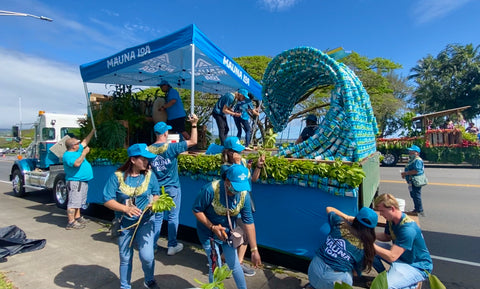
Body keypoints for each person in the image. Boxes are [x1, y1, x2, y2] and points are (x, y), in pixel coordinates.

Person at [192, 164, 262, 289]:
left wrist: (254, 250)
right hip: (209, 234)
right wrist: (212, 227)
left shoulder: (243, 195)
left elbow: (249, 222)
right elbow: (196, 210)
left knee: (235, 264)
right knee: (216, 266)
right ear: (227, 181)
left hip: (227, 234)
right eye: (236, 186)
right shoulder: (210, 190)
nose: (237, 191)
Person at [102, 143, 160, 289]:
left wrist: (154, 203)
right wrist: (125, 209)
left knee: (147, 257)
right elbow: (107, 200)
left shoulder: (150, 176)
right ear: (133, 160)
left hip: (145, 222)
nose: (147, 162)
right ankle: (125, 286)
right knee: (125, 257)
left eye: (148, 159)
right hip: (124, 224)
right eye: (144, 159)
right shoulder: (117, 177)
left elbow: (156, 194)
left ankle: (149, 280)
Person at [149, 114, 199, 256]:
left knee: (157, 217)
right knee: (173, 216)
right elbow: (193, 141)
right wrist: (194, 124)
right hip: (172, 187)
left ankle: (152, 246)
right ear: (165, 133)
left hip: (156, 189)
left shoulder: (148, 150)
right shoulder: (172, 148)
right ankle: (172, 245)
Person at [221, 136, 265, 277]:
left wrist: (258, 166)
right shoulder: (226, 167)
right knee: (239, 235)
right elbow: (230, 181)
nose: (240, 154)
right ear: (229, 152)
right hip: (235, 205)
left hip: (246, 201)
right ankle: (231, 263)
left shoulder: (243, 163)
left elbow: (252, 179)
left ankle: (232, 262)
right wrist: (238, 163)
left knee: (244, 235)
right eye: (236, 151)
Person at [304, 206, 377, 289]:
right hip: (334, 282)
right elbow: (356, 273)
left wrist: (347, 217)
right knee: (349, 272)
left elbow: (329, 209)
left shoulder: (340, 224)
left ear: (356, 219)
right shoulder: (365, 248)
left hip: (313, 272)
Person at [373, 193, 433, 289]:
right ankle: (385, 277)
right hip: (401, 257)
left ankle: (411, 284)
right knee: (368, 251)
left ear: (392, 208)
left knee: (384, 287)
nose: (380, 214)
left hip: (416, 266)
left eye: (382, 211)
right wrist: (370, 236)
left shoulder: (408, 229)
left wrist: (370, 245)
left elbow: (392, 256)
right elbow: (387, 236)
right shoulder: (391, 220)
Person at [62, 128, 95, 230]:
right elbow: (76, 164)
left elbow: (85, 141)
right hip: (75, 181)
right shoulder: (68, 155)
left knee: (79, 201)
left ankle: (78, 217)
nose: (79, 144)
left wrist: (92, 131)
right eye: (77, 143)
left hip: (82, 181)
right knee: (73, 201)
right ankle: (71, 222)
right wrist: (84, 153)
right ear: (73, 146)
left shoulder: (77, 150)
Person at [401, 145, 426, 217]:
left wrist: (406, 173)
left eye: (412, 151)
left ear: (417, 153)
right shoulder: (413, 159)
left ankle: (419, 210)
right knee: (413, 195)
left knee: (416, 195)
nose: (410, 152)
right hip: (411, 180)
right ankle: (417, 208)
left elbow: (416, 171)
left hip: (415, 180)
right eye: (410, 151)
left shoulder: (417, 160)